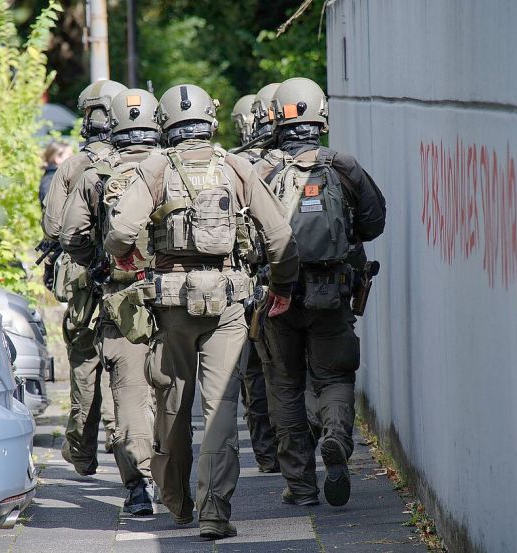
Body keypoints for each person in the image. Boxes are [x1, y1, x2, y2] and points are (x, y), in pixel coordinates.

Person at [104, 84, 299, 539]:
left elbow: (120, 232)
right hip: (228, 303)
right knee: (221, 409)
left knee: (172, 403)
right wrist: (282, 288)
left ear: (165, 124)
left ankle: (176, 503)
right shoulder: (237, 167)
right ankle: (214, 513)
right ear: (211, 120)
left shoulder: (155, 167)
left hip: (171, 306)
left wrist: (126, 256)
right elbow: (279, 238)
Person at [257, 77, 386, 508]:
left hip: (278, 296)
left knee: (285, 386)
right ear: (321, 117)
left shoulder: (262, 171)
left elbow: (247, 235)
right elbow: (374, 222)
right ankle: (336, 438)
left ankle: (301, 486)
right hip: (333, 292)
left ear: (275, 119)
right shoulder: (344, 166)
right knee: (334, 376)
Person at [58, 88, 160, 515]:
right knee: (181, 394)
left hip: (121, 299)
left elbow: (65, 233)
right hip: (183, 296)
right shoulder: (174, 166)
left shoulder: (90, 173)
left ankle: (139, 486)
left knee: (129, 394)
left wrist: (98, 263)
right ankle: (187, 483)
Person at [41, 79, 127, 476]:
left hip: (81, 279)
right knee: (129, 362)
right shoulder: (142, 161)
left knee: (85, 362)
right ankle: (125, 440)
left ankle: (81, 450)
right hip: (127, 276)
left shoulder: (73, 166)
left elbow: (53, 227)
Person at [231, 92, 280, 473]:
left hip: (251, 288)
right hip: (291, 280)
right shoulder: (316, 162)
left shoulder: (237, 166)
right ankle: (304, 441)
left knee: (253, 374)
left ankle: (267, 453)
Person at [39, 140, 73, 210]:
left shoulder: (60, 177)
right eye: (69, 155)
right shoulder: (50, 180)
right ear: (57, 159)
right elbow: (51, 207)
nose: (73, 158)